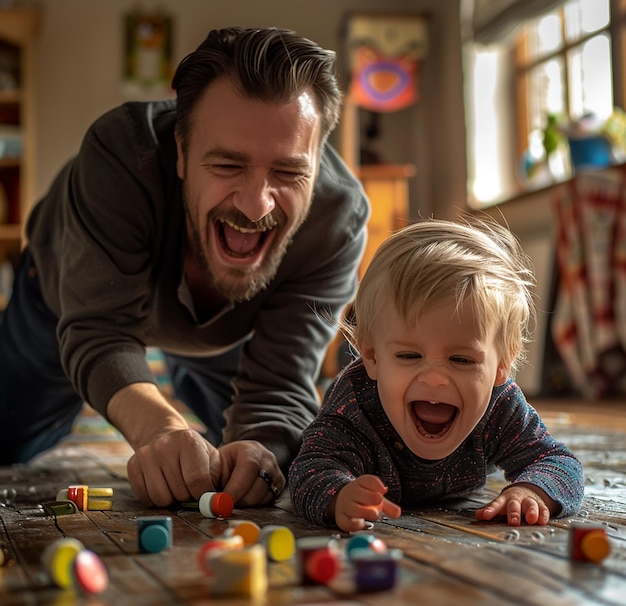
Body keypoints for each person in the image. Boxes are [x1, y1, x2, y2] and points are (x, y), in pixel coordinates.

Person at [0, 27, 370, 509]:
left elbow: (279, 386)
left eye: (288, 172)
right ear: (180, 151)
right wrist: (161, 427)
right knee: (9, 440)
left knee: (252, 468)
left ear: (318, 163)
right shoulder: (119, 154)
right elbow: (101, 330)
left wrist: (263, 446)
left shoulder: (336, 219)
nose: (257, 206)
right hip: (63, 302)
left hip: (225, 331)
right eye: (227, 166)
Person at [289, 218, 584, 532]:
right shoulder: (354, 404)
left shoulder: (501, 406)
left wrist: (531, 491)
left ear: (502, 365)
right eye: (409, 356)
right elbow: (308, 469)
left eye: (461, 359)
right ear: (372, 357)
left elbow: (558, 461)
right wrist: (339, 496)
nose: (434, 379)